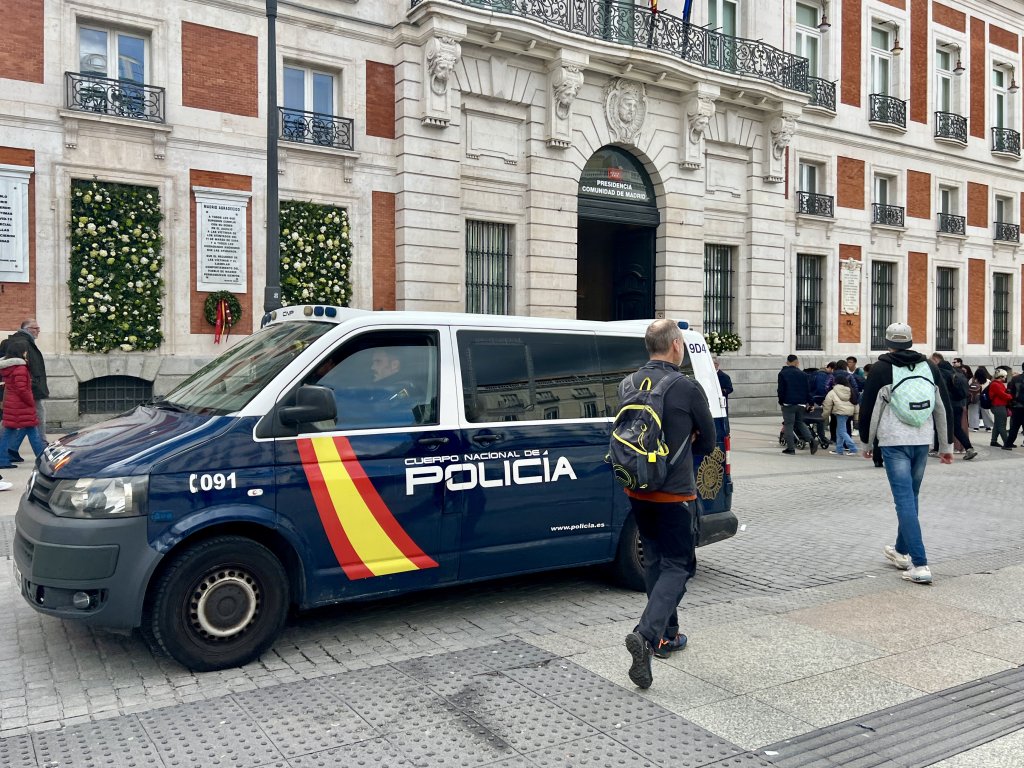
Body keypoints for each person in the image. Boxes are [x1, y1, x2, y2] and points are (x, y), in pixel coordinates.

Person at [623, 319, 715, 689]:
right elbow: (708, 442)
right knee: (679, 565)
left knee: (655, 560)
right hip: (675, 492)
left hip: (637, 489)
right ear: (676, 345)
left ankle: (667, 634)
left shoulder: (628, 383)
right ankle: (646, 635)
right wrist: (687, 442)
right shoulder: (686, 386)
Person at [859, 323, 953, 585]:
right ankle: (901, 552)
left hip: (894, 442)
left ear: (888, 342)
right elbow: (943, 406)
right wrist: (945, 446)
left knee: (904, 500)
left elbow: (869, 409)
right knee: (911, 497)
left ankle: (920, 564)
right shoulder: (929, 366)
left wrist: (867, 443)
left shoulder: (881, 368)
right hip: (922, 441)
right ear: (910, 341)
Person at [0, 318, 48, 464]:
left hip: (16, 400)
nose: (38, 330)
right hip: (26, 397)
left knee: (19, 425)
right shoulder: (23, 349)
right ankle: (43, 456)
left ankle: (9, 452)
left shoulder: (18, 344)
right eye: (35, 328)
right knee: (33, 422)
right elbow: (23, 387)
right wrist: (30, 400)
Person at [930, 353, 976, 460]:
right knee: (956, 428)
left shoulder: (940, 372)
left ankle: (938, 450)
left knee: (939, 425)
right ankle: (969, 448)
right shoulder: (956, 371)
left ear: (936, 360)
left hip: (946, 405)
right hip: (959, 404)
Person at [778, 354, 817, 455]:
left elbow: (781, 390)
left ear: (787, 362)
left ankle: (791, 448)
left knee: (789, 425)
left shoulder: (783, 373)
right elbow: (808, 390)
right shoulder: (803, 374)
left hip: (788, 403)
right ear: (797, 363)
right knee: (800, 422)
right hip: (801, 404)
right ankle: (811, 440)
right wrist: (811, 403)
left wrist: (781, 401)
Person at [823, 371, 858, 455]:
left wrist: (824, 416)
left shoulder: (833, 391)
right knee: (839, 431)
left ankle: (853, 448)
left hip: (840, 412)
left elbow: (827, 405)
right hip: (849, 412)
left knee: (842, 431)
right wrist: (856, 417)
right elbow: (856, 403)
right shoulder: (850, 390)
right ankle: (839, 449)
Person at [1002, 363, 1024, 450]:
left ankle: (1008, 444)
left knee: (1014, 427)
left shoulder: (1015, 379)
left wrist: (1011, 404)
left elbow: (1010, 393)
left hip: (1017, 406)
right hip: (1018, 405)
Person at [988, 369, 1012, 447]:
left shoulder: (996, 383)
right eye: (1004, 376)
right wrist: (1011, 396)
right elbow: (1003, 395)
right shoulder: (996, 384)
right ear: (1001, 376)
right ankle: (1007, 443)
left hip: (998, 406)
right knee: (1002, 425)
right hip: (999, 406)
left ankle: (993, 441)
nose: (1005, 378)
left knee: (997, 424)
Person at [970, 365, 994, 432]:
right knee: (986, 412)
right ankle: (988, 427)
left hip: (974, 397)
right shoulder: (988, 381)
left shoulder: (972, 380)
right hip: (984, 397)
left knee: (974, 412)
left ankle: (975, 427)